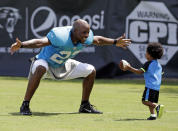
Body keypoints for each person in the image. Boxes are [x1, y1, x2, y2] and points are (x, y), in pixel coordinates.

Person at [10, 19, 131, 115]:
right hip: (44, 62)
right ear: (75, 31)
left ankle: (85, 105)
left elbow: (97, 40)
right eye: (84, 32)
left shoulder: (85, 37)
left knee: (91, 71)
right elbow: (40, 42)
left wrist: (115, 42)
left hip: (62, 65)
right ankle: (25, 104)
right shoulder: (60, 35)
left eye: (88, 32)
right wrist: (22, 45)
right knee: (41, 67)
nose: (87, 35)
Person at [120, 42, 164, 120]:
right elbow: (160, 74)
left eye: (146, 52)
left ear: (150, 54)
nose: (145, 54)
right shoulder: (158, 65)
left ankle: (158, 107)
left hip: (150, 86)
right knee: (150, 101)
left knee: (145, 101)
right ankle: (153, 115)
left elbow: (139, 72)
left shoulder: (148, 63)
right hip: (156, 87)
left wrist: (129, 68)